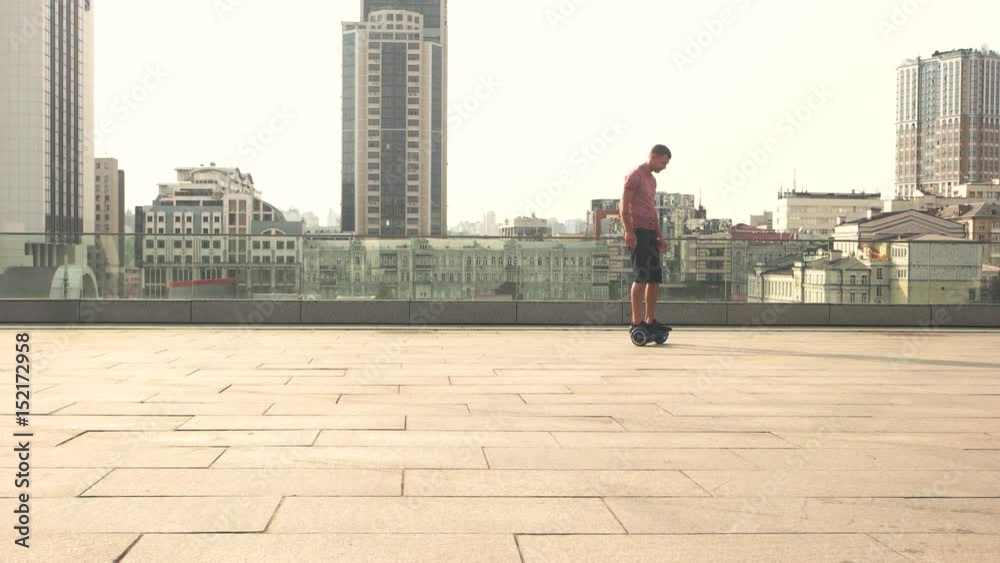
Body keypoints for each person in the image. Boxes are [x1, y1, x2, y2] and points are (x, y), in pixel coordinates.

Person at [620, 145, 672, 334]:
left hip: (650, 232)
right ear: (653, 156)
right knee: (641, 277)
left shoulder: (652, 180)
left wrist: (659, 235)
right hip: (638, 231)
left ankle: (650, 320)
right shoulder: (635, 175)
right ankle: (636, 322)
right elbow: (623, 205)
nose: (664, 167)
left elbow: (651, 210)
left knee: (654, 278)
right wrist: (628, 231)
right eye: (663, 162)